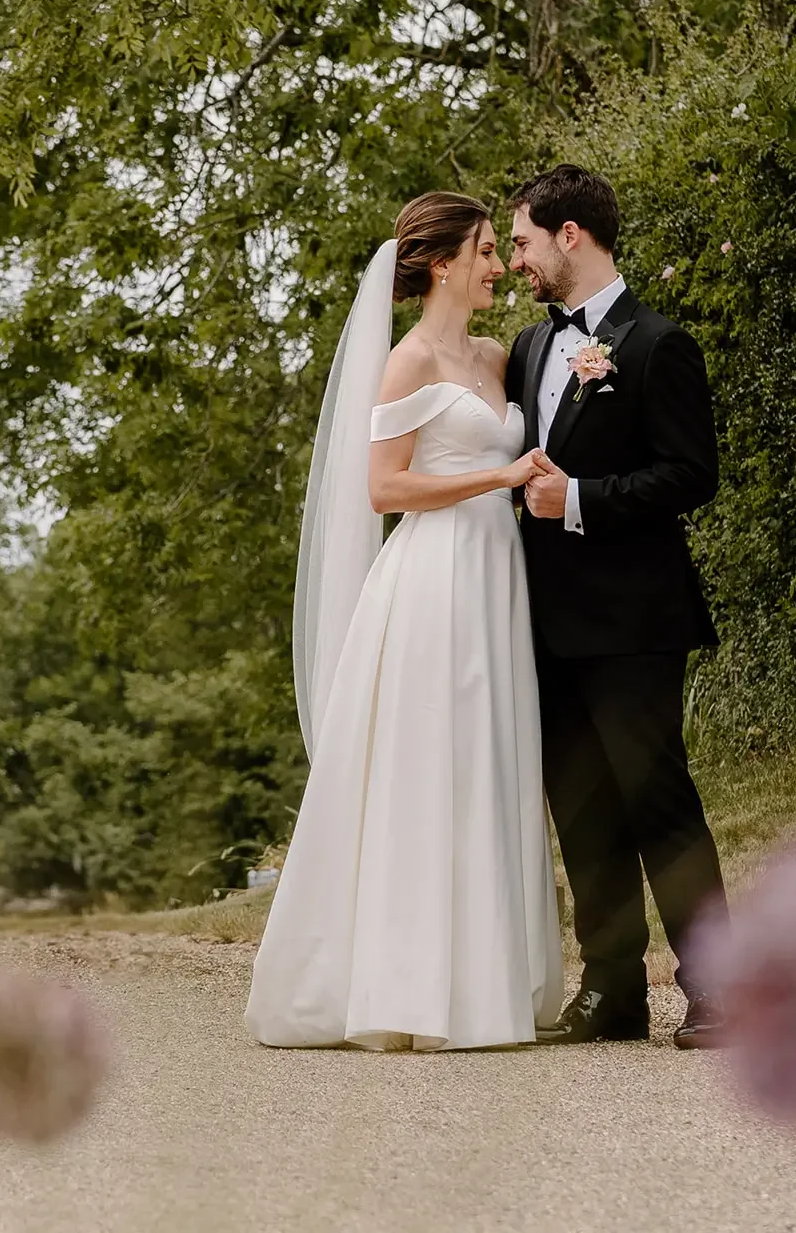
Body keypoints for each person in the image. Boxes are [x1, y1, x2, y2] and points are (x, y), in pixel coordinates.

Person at [245, 192, 564, 1050]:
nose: (500, 265)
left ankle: (487, 984)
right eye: (488, 251)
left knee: (492, 759)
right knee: (433, 764)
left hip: (497, 578)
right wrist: (494, 481)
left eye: (501, 250)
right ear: (442, 263)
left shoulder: (498, 356)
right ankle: (407, 988)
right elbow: (383, 490)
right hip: (433, 578)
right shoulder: (408, 361)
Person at [505, 165, 728, 1049]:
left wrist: (584, 499)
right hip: (545, 623)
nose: (515, 259)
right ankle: (611, 993)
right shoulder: (527, 349)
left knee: (656, 800)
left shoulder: (656, 344)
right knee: (581, 807)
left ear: (570, 236)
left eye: (521, 240)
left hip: (635, 623)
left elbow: (691, 475)